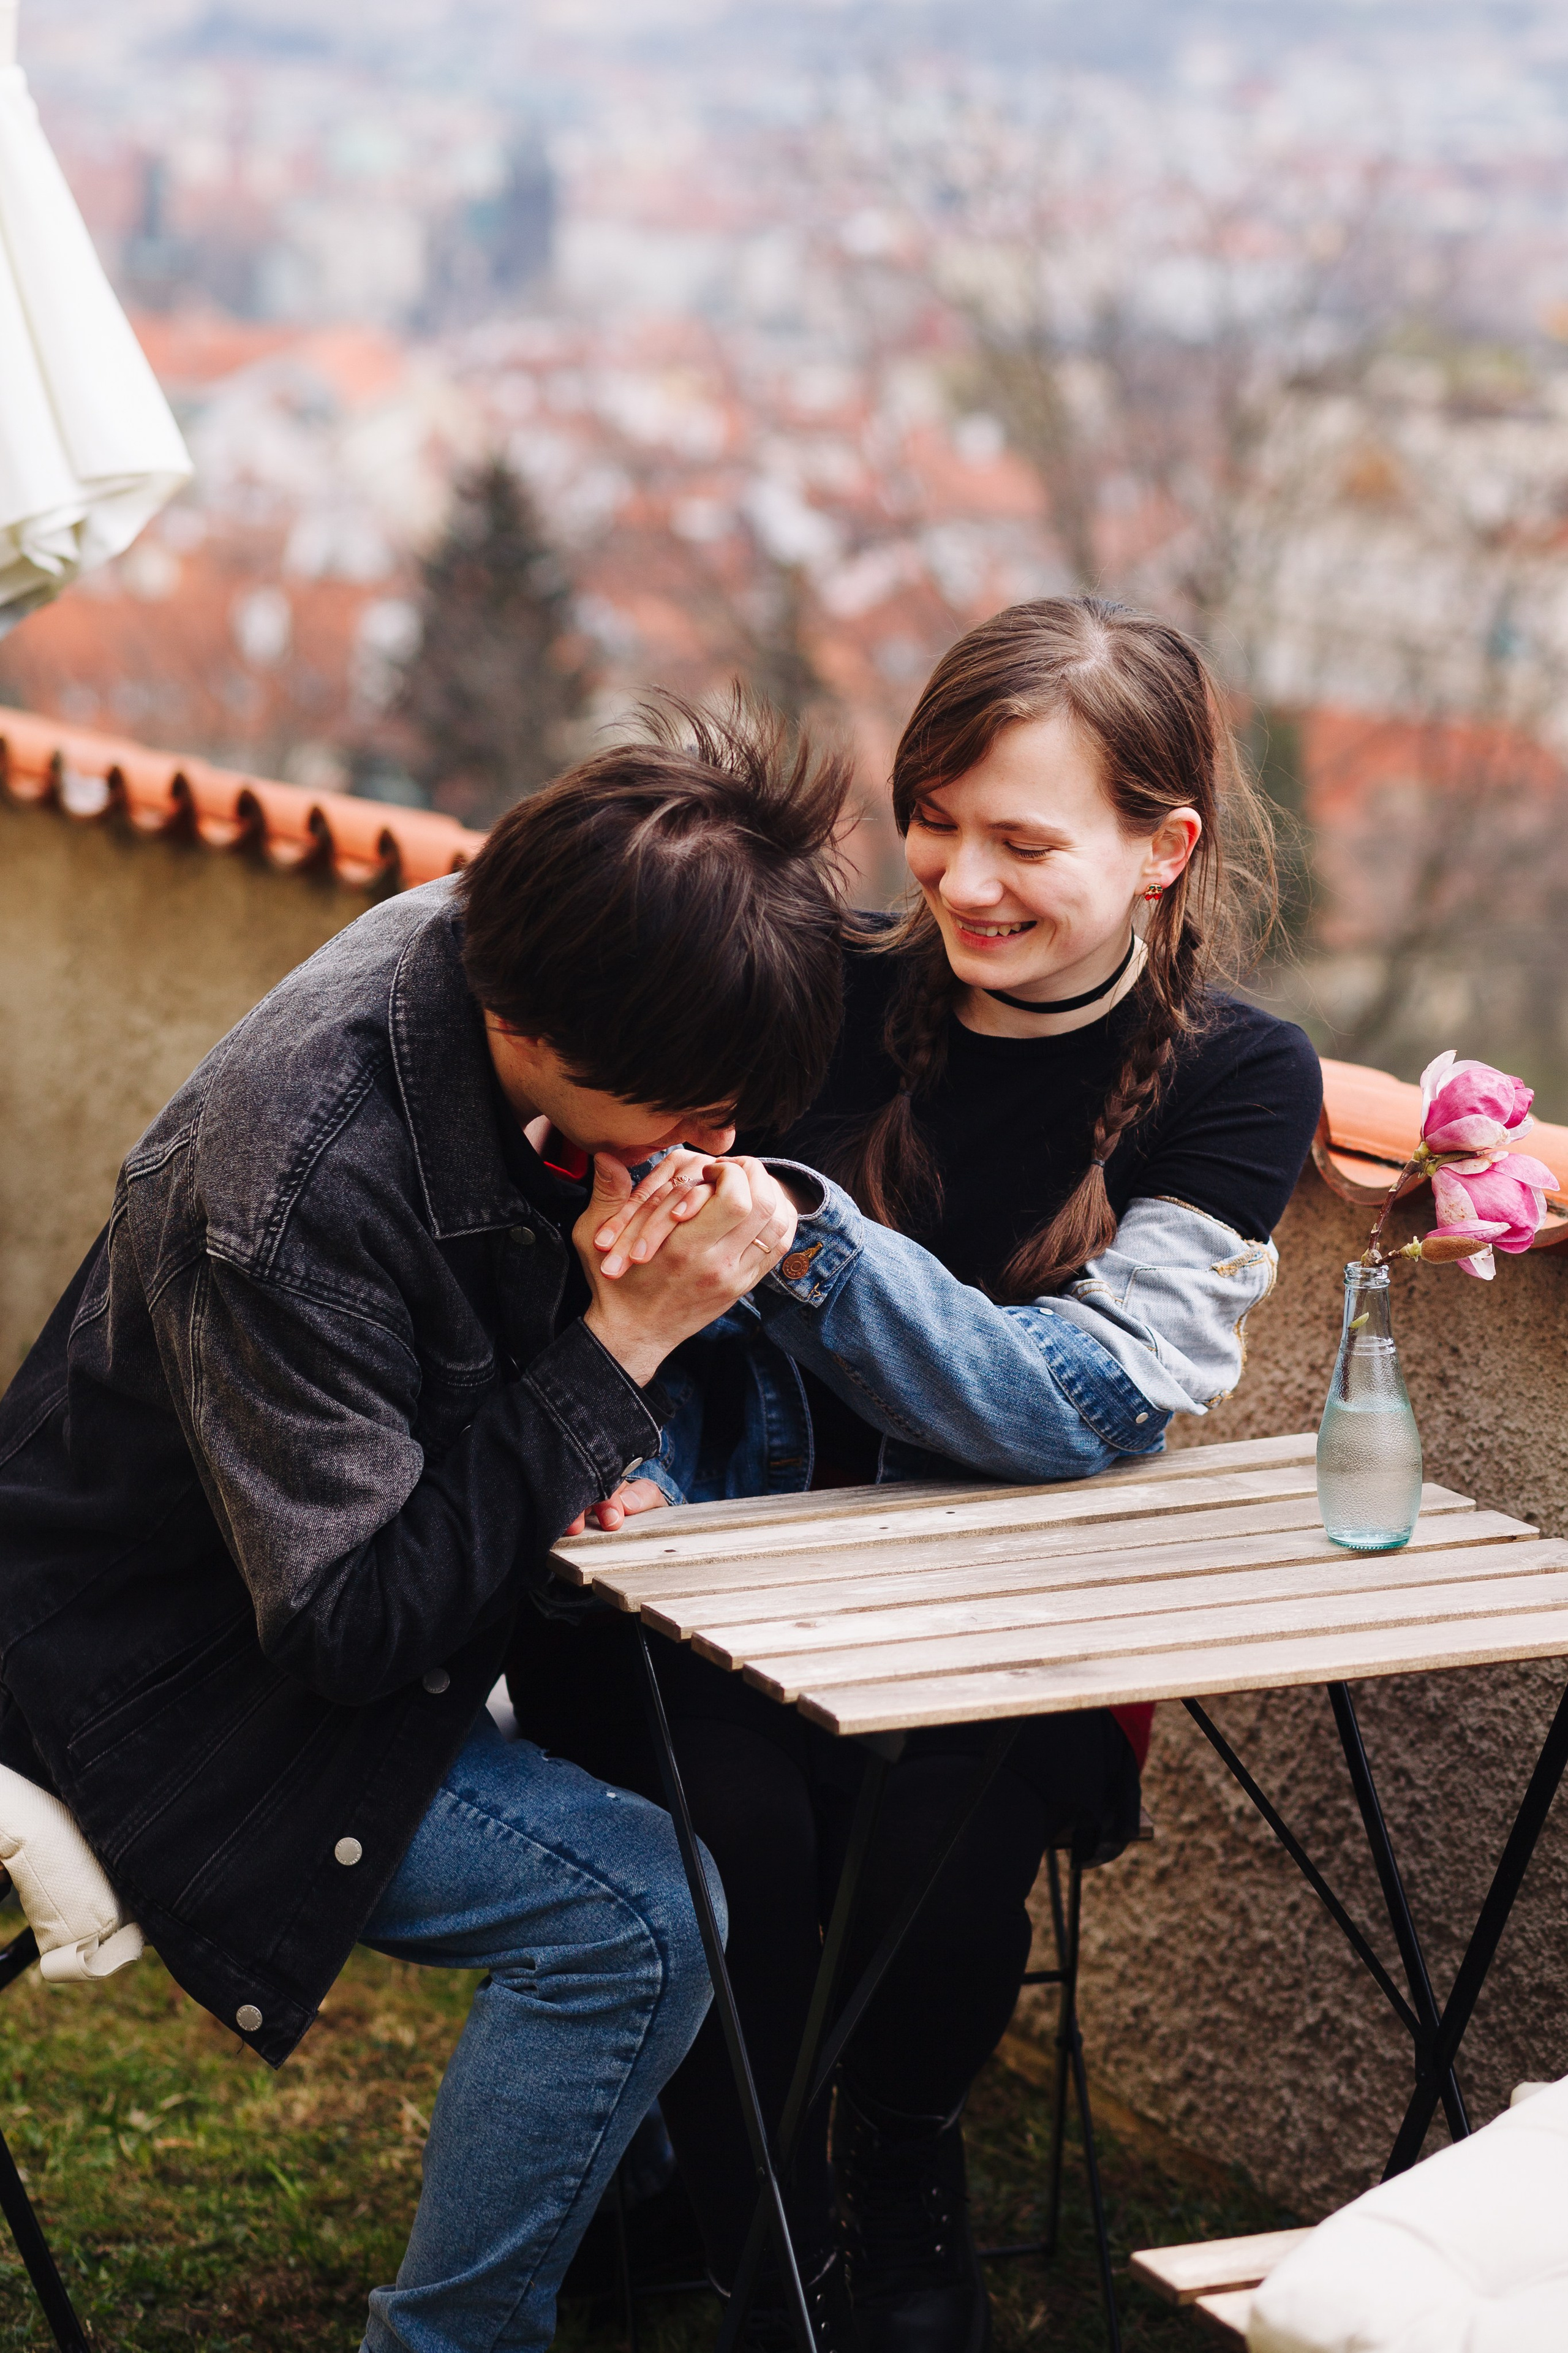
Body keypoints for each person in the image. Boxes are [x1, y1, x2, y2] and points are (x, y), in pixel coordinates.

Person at [510, 599, 1324, 2353]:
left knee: (937, 1847)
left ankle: (900, 2171)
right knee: (729, 1820)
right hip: (718, 1576)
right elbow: (610, 1244)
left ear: (1162, 847)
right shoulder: (812, 984)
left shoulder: (1238, 1078)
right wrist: (618, 1406)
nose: (962, 880)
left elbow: (1090, 1400)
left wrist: (810, 1243)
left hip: (1005, 1625)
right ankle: (774, 2245)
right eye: (935, 820)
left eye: (1024, 839)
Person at [0, 702, 853, 2353]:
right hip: (151, 1680)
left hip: (295, 1595)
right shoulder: (295, 1176)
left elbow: (430, 1371)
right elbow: (345, 1624)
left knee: (748, 1767)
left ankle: (687, 2223)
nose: (716, 1150)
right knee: (638, 1910)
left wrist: (562, 1412)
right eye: (691, 1107)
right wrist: (616, 1351)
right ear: (539, 1022)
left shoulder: (498, 951)